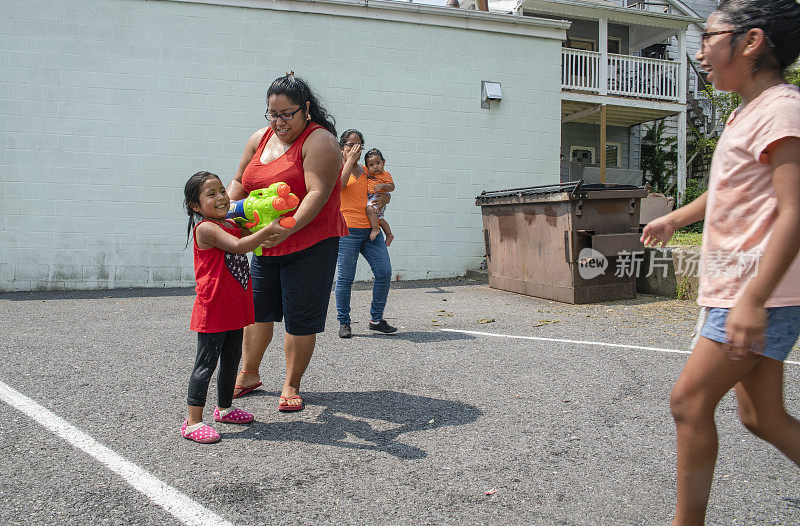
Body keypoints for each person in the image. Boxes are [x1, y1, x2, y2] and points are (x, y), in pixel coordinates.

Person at [641, 2, 800, 523]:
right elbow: (726, 189)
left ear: (751, 42)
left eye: (709, 36)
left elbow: (795, 211)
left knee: (688, 401)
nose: (702, 48)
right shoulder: (746, 112)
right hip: (748, 292)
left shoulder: (782, 109)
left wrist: (753, 300)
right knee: (762, 417)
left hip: (758, 293)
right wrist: (675, 219)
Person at [227, 74, 347, 411]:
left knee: (299, 316)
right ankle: (249, 373)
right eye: (272, 114)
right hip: (267, 242)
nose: (278, 123)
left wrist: (289, 226)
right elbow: (239, 181)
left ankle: (292, 383)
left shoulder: (319, 141)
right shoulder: (259, 139)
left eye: (286, 114)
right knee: (257, 312)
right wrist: (221, 216)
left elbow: (318, 193)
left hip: (310, 242)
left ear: (305, 109)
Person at [181, 171, 271, 443]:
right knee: (206, 364)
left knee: (231, 360)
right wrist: (269, 228)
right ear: (195, 206)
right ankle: (193, 421)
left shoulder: (229, 222)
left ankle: (224, 408)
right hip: (214, 307)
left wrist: (263, 217)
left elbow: (251, 233)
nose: (222, 197)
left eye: (222, 190)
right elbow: (241, 245)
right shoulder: (206, 228)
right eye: (212, 194)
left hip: (233, 306)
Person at [336, 130, 397, 339]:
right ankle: (344, 322)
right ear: (342, 147)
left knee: (384, 272)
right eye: (350, 145)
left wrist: (386, 198)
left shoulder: (368, 170)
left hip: (372, 229)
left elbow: (383, 192)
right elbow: (338, 187)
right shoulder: (336, 168)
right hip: (347, 230)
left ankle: (376, 320)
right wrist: (348, 162)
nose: (355, 148)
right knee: (345, 278)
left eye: (359, 145)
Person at [363, 148, 396, 245]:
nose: (375, 167)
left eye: (378, 163)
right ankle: (389, 234)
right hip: (370, 197)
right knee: (380, 219)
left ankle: (375, 229)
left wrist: (382, 186)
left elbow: (392, 187)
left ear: (383, 162)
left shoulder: (386, 175)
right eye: (371, 165)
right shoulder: (368, 175)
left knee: (369, 209)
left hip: (378, 197)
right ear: (367, 167)